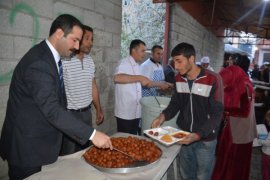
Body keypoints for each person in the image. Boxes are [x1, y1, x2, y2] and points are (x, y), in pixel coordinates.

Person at [0, 14, 112, 180]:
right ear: (59, 34)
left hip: (40, 143)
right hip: (26, 147)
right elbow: (52, 109)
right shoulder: (39, 63)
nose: (76, 46)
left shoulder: (51, 58)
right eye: (75, 40)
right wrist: (92, 134)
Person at [151, 42, 224, 180]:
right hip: (183, 135)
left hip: (205, 139)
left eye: (179, 61)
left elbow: (217, 113)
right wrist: (162, 116)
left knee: (202, 176)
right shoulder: (179, 78)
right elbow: (176, 102)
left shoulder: (213, 79)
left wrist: (199, 134)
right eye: (174, 62)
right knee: (185, 175)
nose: (176, 66)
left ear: (191, 59)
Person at [60, 25, 104, 155]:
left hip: (86, 114)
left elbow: (93, 87)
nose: (91, 43)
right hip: (70, 115)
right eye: (87, 39)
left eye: (92, 39)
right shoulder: (65, 60)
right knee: (68, 155)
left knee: (85, 152)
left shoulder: (90, 61)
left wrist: (98, 109)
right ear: (78, 40)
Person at [114, 39, 170, 135]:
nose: (144, 54)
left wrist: (161, 84)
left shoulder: (137, 65)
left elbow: (146, 83)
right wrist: (139, 77)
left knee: (133, 138)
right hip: (125, 112)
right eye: (142, 51)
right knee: (124, 139)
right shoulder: (124, 63)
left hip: (136, 110)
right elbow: (117, 78)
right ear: (134, 50)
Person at [212, 65, 257, 180]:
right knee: (231, 160)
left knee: (232, 160)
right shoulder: (241, 84)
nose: (225, 85)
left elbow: (244, 112)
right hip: (237, 128)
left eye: (226, 83)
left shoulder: (244, 87)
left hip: (238, 131)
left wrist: (224, 110)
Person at [257, 110, 270, 180]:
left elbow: (268, 142)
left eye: (268, 121)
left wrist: (260, 140)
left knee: (265, 171)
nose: (268, 124)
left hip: (267, 154)